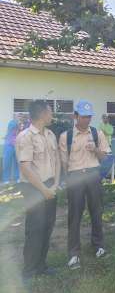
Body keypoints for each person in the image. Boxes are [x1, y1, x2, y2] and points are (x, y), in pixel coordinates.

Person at [59, 100, 110, 270]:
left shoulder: (97, 133)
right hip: (75, 176)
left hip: (93, 174)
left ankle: (99, 245)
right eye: (83, 116)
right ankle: (74, 253)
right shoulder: (66, 136)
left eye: (89, 117)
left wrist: (95, 149)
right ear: (75, 116)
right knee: (74, 215)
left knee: (97, 211)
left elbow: (104, 158)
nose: (86, 120)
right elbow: (64, 163)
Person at [15, 101, 60, 282]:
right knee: (35, 229)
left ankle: (41, 265)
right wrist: (44, 190)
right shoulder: (25, 137)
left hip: (50, 185)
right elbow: (25, 168)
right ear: (42, 114)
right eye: (50, 111)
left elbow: (56, 160)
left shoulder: (50, 134)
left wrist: (55, 183)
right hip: (33, 188)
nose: (52, 115)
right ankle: (29, 270)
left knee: (48, 226)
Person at [2, 119, 20, 185]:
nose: (14, 129)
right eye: (13, 128)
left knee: (17, 163)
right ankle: (6, 179)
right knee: (7, 163)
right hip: (8, 146)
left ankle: (17, 178)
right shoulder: (9, 134)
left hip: (16, 146)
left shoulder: (18, 133)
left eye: (15, 127)